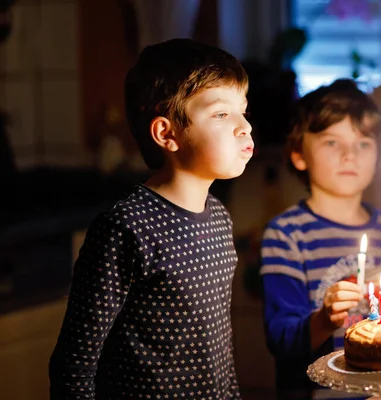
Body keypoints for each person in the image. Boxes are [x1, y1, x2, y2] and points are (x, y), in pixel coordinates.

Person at [49, 39, 253, 400]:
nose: (244, 127)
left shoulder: (219, 216)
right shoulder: (127, 228)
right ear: (167, 133)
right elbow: (75, 363)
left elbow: (216, 349)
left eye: (243, 111)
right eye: (222, 114)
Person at [260, 79, 381, 399]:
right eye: (332, 142)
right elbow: (281, 339)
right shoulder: (287, 234)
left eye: (363, 143)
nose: (349, 155)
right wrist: (323, 320)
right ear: (298, 154)